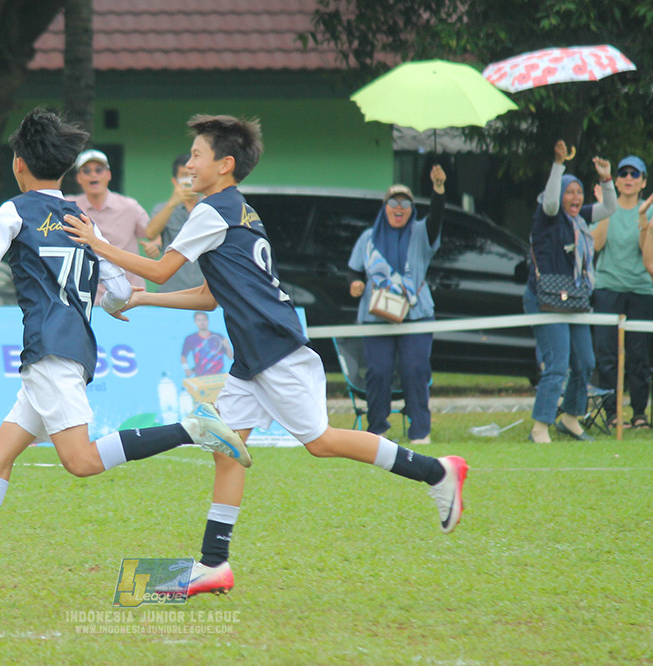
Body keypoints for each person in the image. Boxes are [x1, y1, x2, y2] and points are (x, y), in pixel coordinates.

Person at [64, 114, 468, 598]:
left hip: (275, 348)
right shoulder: (237, 210)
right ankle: (213, 564)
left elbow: (160, 266)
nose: (189, 163)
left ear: (225, 164)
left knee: (319, 441)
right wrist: (143, 298)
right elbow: (210, 296)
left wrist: (99, 242)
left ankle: (437, 471)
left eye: (197, 154)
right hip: (255, 355)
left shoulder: (213, 211)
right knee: (227, 449)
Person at [0, 108, 250, 598]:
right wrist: (118, 302)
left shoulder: (17, 210)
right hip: (68, 348)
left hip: (50, 350)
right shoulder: (80, 218)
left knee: (80, 461)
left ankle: (192, 428)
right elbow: (116, 290)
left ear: (18, 164)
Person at [346, 167, 447, 445]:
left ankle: (419, 431)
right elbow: (354, 271)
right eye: (393, 203)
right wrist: (355, 284)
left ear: (411, 208)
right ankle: (377, 428)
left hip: (416, 315)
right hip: (376, 317)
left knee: (415, 369)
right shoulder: (368, 238)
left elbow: (436, 219)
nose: (399, 208)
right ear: (385, 208)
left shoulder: (420, 233)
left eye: (405, 203)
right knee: (378, 371)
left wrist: (438, 190)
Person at [525, 140, 615, 443]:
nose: (575, 197)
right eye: (569, 191)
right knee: (557, 362)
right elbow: (550, 202)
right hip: (545, 300)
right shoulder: (547, 217)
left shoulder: (579, 219)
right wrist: (558, 164)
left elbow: (609, 208)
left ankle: (571, 418)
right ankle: (540, 426)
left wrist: (606, 180)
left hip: (574, 299)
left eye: (578, 191)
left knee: (585, 362)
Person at [589, 156, 653, 429]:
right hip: (607, 288)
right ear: (615, 180)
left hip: (641, 290)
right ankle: (612, 414)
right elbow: (596, 246)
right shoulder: (603, 207)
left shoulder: (649, 211)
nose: (628, 178)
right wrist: (606, 206)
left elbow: (645, 252)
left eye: (634, 174)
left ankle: (639, 413)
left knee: (640, 355)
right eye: (623, 173)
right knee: (607, 353)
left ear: (643, 182)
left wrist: (642, 219)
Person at [66, 149, 157, 301]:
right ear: (79, 178)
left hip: (129, 295)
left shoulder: (130, 206)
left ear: (108, 175)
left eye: (99, 170)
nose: (93, 174)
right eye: (86, 171)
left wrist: (155, 244)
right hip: (86, 298)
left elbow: (153, 234)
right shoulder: (69, 207)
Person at [145, 153, 205, 292]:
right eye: (184, 175)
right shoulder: (163, 209)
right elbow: (150, 233)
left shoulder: (210, 208)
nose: (189, 179)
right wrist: (173, 202)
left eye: (193, 174)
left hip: (206, 292)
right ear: (175, 181)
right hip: (172, 292)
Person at [181, 310, 233, 377]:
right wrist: (186, 369)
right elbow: (183, 357)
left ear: (208, 321)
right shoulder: (190, 339)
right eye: (199, 320)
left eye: (204, 320)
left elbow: (231, 357)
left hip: (220, 376)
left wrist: (228, 346)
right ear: (195, 322)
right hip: (200, 377)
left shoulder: (218, 337)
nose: (202, 322)